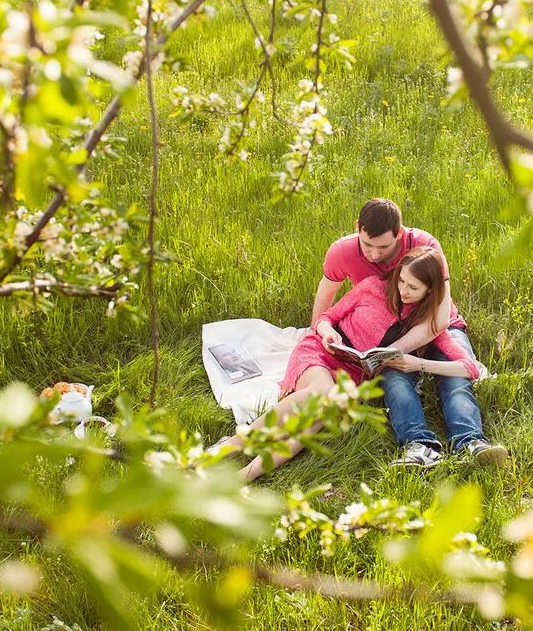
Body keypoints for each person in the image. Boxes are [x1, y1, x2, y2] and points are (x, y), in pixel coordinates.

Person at [216, 247, 481, 480]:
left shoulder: (427, 322)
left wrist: (417, 365)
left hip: (352, 375)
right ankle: (233, 445)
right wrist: (327, 331)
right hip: (322, 353)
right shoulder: (373, 287)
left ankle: (245, 476)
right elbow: (326, 317)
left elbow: (469, 368)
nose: (403, 290)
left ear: (430, 291)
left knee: (315, 421)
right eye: (401, 281)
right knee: (323, 393)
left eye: (413, 287)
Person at [313, 198, 508, 468]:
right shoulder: (353, 263)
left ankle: (471, 442)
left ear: (400, 235)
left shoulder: (426, 248)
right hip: (395, 328)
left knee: (453, 382)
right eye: (366, 245)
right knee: (394, 380)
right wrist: (318, 337)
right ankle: (418, 445)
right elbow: (326, 307)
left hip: (436, 324)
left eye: (383, 247)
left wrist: (415, 361)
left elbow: (446, 336)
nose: (373, 255)